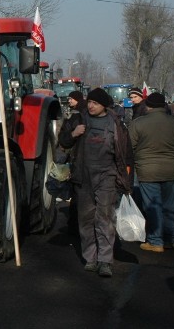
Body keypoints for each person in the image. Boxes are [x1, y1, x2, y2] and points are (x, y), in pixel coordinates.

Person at [61, 87, 133, 277]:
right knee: (85, 220)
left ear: (104, 106)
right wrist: (73, 134)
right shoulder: (78, 120)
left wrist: (127, 181)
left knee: (105, 219)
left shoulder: (116, 124)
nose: (91, 106)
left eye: (96, 103)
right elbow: (63, 142)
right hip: (83, 177)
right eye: (90, 102)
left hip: (106, 177)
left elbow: (126, 154)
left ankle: (105, 261)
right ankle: (90, 258)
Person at [128, 92, 174, 252]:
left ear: (147, 105)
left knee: (152, 205)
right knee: (169, 205)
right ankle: (169, 239)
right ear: (164, 105)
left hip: (147, 170)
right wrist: (173, 155)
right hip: (170, 169)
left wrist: (139, 157)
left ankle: (155, 241)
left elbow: (129, 146)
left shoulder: (138, 123)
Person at [57, 90, 86, 232]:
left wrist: (71, 135)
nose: (69, 101)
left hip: (79, 162)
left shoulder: (75, 117)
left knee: (78, 195)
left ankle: (76, 226)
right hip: (96, 166)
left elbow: (64, 139)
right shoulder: (108, 118)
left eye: (71, 99)